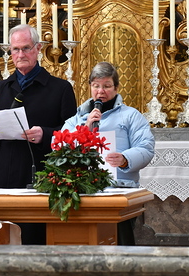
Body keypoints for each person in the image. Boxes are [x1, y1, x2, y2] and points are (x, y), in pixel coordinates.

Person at [0, 24, 77, 244]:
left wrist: (46, 135)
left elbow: (73, 135)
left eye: (26, 48)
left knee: (38, 241)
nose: (20, 55)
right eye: (15, 50)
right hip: (6, 176)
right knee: (5, 242)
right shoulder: (0, 89)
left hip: (43, 176)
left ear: (38, 48)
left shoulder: (60, 89)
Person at [61, 61, 155, 245]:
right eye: (96, 86)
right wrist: (86, 127)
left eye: (106, 86)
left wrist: (125, 158)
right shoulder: (77, 119)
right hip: (83, 191)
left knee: (119, 243)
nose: (100, 91)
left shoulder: (131, 115)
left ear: (116, 88)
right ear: (90, 87)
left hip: (119, 190)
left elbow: (146, 146)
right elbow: (59, 148)